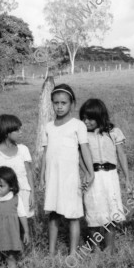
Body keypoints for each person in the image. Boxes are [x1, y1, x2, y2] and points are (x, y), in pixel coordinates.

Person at [40, 84, 94, 256]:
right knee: (53, 214)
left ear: (72, 104)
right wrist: (42, 176)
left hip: (70, 176)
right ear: (52, 104)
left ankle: (72, 253)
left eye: (64, 102)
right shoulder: (48, 127)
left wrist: (90, 171)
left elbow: (84, 149)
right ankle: (51, 252)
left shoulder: (77, 125)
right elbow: (45, 153)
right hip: (52, 176)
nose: (60, 106)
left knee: (73, 214)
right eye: (56, 103)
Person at [80, 99, 132, 254]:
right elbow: (79, 157)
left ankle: (109, 247)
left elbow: (121, 155)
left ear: (100, 116)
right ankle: (95, 248)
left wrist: (127, 178)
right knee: (93, 211)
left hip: (110, 176)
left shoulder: (113, 132)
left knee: (111, 212)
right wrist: (87, 174)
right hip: (92, 176)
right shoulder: (82, 135)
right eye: (83, 118)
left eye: (90, 118)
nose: (86, 121)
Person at [0, 114, 36, 228]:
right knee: (5, 223)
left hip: (23, 191)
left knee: (23, 222)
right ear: (7, 132)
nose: (21, 132)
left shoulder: (23, 149)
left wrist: (32, 193)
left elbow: (28, 172)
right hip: (3, 194)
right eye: (17, 130)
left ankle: (22, 244)